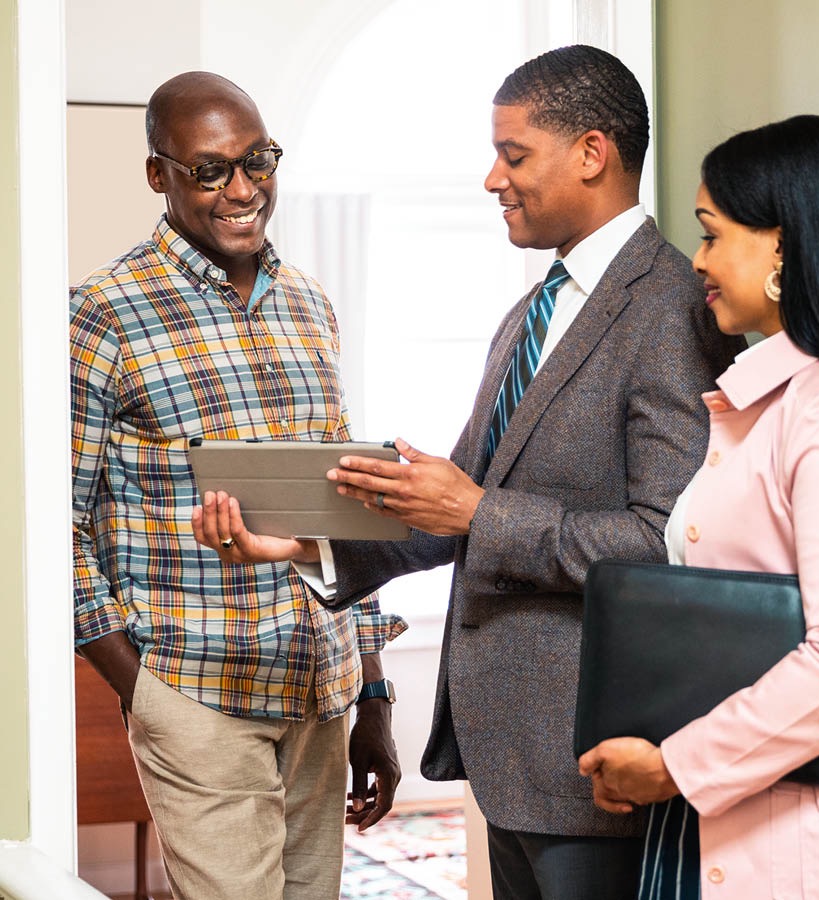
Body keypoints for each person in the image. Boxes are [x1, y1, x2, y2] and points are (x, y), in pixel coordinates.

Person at [194, 46, 742, 899]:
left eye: (514, 154)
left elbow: (664, 545)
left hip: (594, 757)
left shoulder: (672, 307)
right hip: (510, 756)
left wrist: (480, 508)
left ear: (592, 153)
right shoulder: (531, 311)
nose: (493, 178)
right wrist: (304, 544)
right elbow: (451, 510)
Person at [71, 71, 405, 900]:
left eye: (259, 161)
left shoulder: (311, 306)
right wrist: (138, 687)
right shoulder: (101, 315)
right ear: (160, 176)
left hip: (319, 689)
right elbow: (56, 527)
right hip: (196, 690)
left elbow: (347, 506)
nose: (243, 189)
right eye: (210, 169)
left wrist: (374, 699)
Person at [577, 115, 819, 899]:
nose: (698, 262)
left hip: (796, 832)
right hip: (730, 811)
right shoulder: (784, 398)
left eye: (713, 235)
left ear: (784, 247)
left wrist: (678, 763)